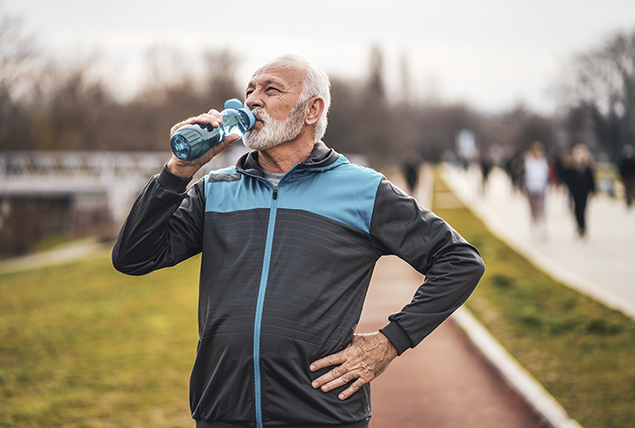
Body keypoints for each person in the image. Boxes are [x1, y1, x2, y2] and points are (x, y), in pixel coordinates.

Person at [112, 53, 485, 428]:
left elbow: (460, 260)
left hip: (321, 415)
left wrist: (390, 342)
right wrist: (178, 171)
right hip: (221, 413)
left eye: (271, 90)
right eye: (250, 91)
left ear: (311, 110)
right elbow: (132, 257)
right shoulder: (214, 190)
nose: (253, 100)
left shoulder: (362, 189)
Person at [522, 141, 550, 241]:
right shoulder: (528, 160)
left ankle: (541, 228)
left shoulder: (543, 161)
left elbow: (546, 174)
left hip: (540, 188)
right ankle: (534, 228)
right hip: (530, 188)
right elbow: (525, 174)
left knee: (541, 209)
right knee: (532, 209)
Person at [567, 144, 596, 238]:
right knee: (576, 210)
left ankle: (583, 227)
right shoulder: (572, 169)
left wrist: (593, 191)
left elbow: (591, 180)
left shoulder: (587, 169)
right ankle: (579, 226)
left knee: (582, 209)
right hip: (575, 192)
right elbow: (570, 182)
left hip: (584, 192)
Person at [618, 144, 635, 209]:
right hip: (626, 177)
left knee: (630, 190)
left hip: (630, 177)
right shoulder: (624, 161)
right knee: (626, 190)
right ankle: (628, 200)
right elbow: (621, 169)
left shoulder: (632, 161)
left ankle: (629, 200)